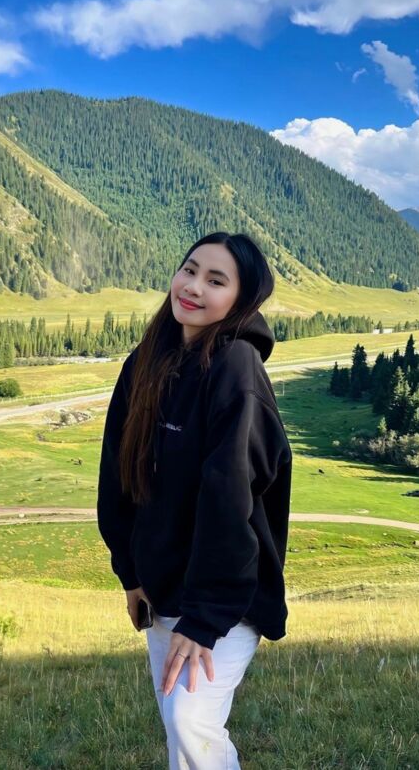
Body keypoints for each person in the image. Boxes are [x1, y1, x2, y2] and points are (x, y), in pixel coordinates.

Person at [97, 231, 293, 769]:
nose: (193, 287)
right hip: (164, 589)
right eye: (189, 270)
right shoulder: (145, 362)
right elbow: (118, 475)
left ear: (241, 300)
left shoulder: (236, 368)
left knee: (190, 721)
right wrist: (130, 573)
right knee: (180, 729)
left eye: (216, 280)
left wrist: (204, 618)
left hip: (225, 599)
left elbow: (230, 502)